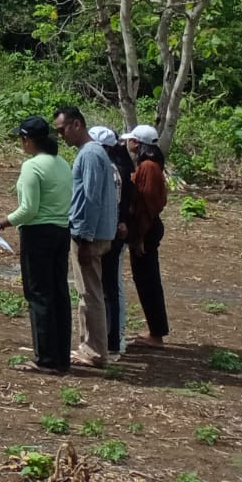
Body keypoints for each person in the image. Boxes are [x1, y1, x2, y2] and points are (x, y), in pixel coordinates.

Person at [0, 116, 73, 374]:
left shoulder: (32, 167)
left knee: (39, 294)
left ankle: (45, 358)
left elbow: (29, 210)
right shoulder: (62, 164)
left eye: (22, 139)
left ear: (29, 140)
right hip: (60, 232)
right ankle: (61, 357)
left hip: (38, 235)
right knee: (58, 293)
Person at [53, 105, 118, 367]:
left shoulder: (89, 155)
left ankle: (94, 351)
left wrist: (84, 237)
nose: (61, 136)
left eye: (62, 129)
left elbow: (90, 199)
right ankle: (89, 347)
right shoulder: (92, 153)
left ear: (77, 124)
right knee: (90, 291)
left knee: (89, 293)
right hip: (93, 232)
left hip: (88, 234)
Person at [123, 125, 170, 349]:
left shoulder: (148, 167)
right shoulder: (149, 165)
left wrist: (140, 235)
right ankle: (155, 330)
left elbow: (147, 205)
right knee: (145, 279)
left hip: (146, 229)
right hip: (146, 228)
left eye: (130, 140)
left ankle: (156, 333)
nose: (127, 144)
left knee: (148, 280)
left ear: (138, 144)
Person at [90, 126, 134, 358]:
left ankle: (111, 341)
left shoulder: (109, 170)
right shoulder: (119, 168)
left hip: (106, 234)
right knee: (109, 288)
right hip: (114, 231)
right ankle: (113, 340)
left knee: (106, 289)